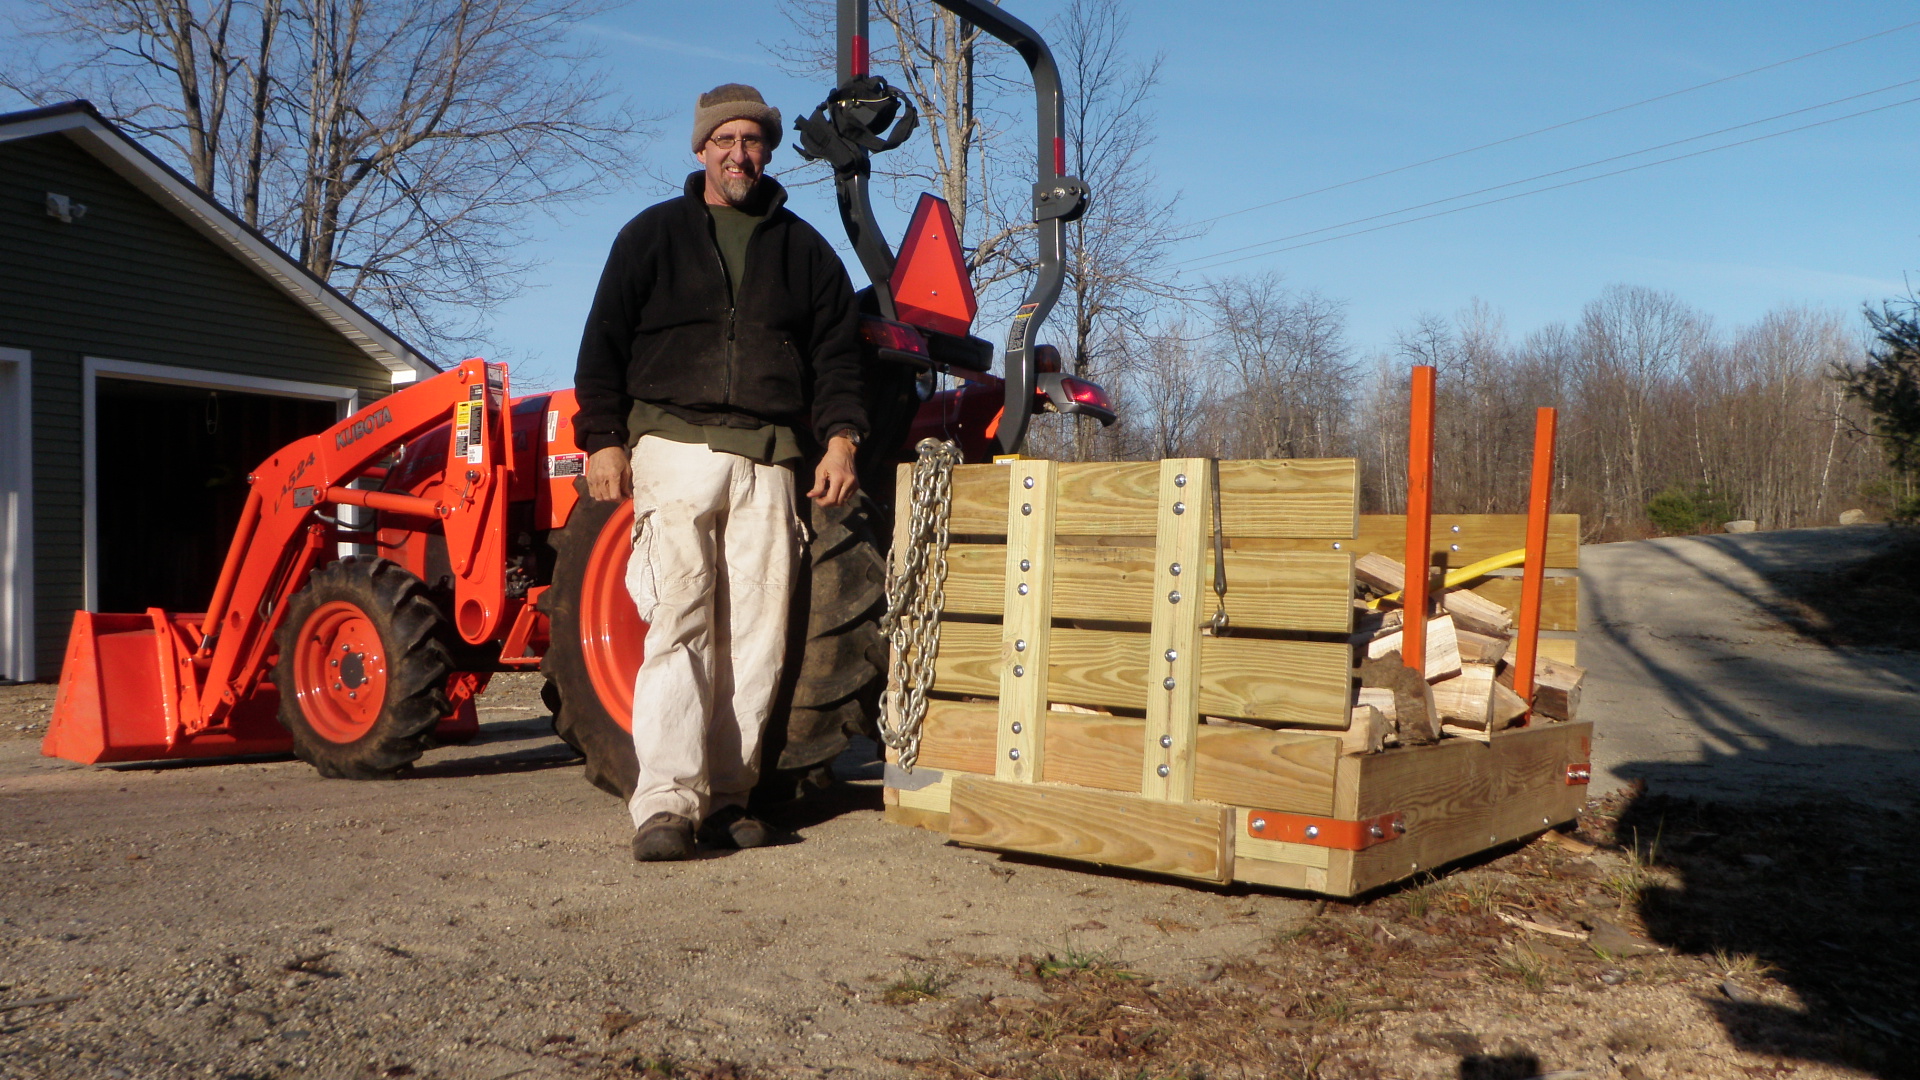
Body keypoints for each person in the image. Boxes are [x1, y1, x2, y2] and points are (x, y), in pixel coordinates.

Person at [572, 83, 867, 862]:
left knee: (758, 638)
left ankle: (730, 797)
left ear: (768, 151)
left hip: (771, 459)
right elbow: (602, 346)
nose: (740, 154)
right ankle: (667, 804)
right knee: (680, 621)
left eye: (754, 140)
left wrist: (841, 440)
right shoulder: (652, 236)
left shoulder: (805, 251)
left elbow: (838, 356)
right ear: (702, 148)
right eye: (726, 140)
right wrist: (602, 439)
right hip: (675, 450)